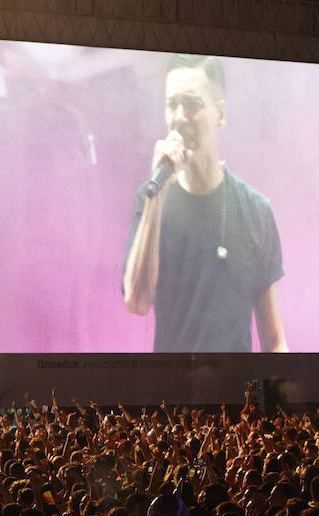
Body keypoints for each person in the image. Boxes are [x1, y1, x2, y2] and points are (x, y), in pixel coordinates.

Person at [121, 54, 287, 353]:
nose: (180, 116)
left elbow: (274, 341)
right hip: (171, 395)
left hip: (236, 395)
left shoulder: (255, 209)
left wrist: (284, 395)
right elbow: (137, 301)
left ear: (219, 114)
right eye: (172, 105)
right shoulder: (151, 199)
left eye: (193, 104)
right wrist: (155, 198)